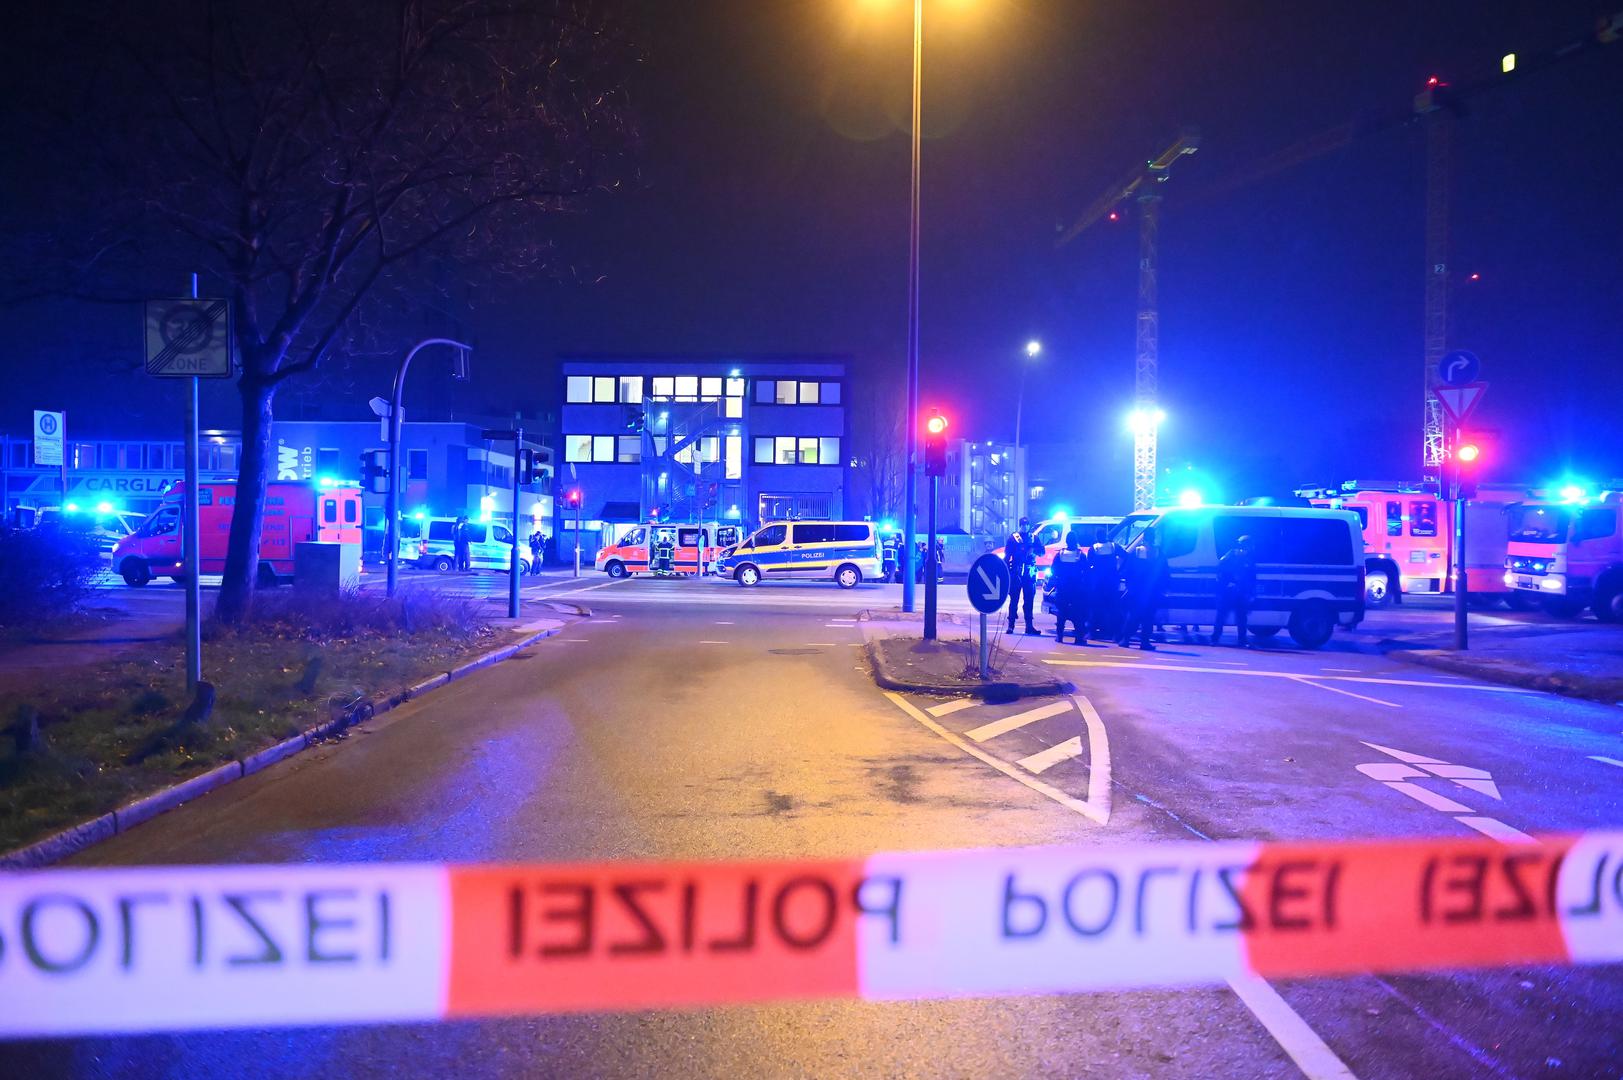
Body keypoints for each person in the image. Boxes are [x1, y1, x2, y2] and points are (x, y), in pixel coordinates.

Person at [1118, 538, 1168, 650]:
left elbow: (1128, 570)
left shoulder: (1136, 552)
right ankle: (1144, 642)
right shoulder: (1158, 552)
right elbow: (1165, 571)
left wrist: (1129, 586)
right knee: (1148, 617)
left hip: (1137, 590)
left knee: (1133, 616)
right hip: (1152, 591)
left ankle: (1125, 640)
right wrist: (1164, 588)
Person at [1212, 534, 1257, 646]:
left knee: (1242, 618)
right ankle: (1215, 638)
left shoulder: (1249, 559)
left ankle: (1242, 640)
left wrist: (1250, 593)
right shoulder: (1231, 555)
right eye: (1248, 546)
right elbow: (1220, 570)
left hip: (1241, 592)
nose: (1249, 548)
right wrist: (1228, 582)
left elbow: (1252, 577)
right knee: (1221, 616)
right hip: (1228, 592)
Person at [1049, 528, 1090, 645]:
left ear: (1066, 541)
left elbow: (1053, 570)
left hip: (1062, 587)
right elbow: (1086, 571)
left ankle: (1059, 635)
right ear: (1076, 541)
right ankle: (1079, 637)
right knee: (1078, 613)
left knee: (1061, 613)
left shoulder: (1060, 554)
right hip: (1077, 588)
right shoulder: (1080, 555)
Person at [1004, 516, 1042, 635]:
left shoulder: (1034, 538)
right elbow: (1007, 556)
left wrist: (1033, 550)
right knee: (1014, 600)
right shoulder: (1014, 538)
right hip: (1016, 573)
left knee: (1029, 600)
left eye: (1026, 524)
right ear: (1020, 525)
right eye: (1023, 524)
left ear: (1029, 525)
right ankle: (1011, 626)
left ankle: (1029, 626)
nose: (1024, 526)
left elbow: (1042, 552)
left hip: (1029, 574)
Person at [1088, 527, 1122, 641]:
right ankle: (1113, 634)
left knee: (1096, 607)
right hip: (1112, 581)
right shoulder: (1114, 546)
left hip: (1098, 583)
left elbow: (1088, 565)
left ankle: (1093, 632)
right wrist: (1119, 570)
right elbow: (1126, 556)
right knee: (1112, 608)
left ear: (1096, 536)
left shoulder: (1094, 548)